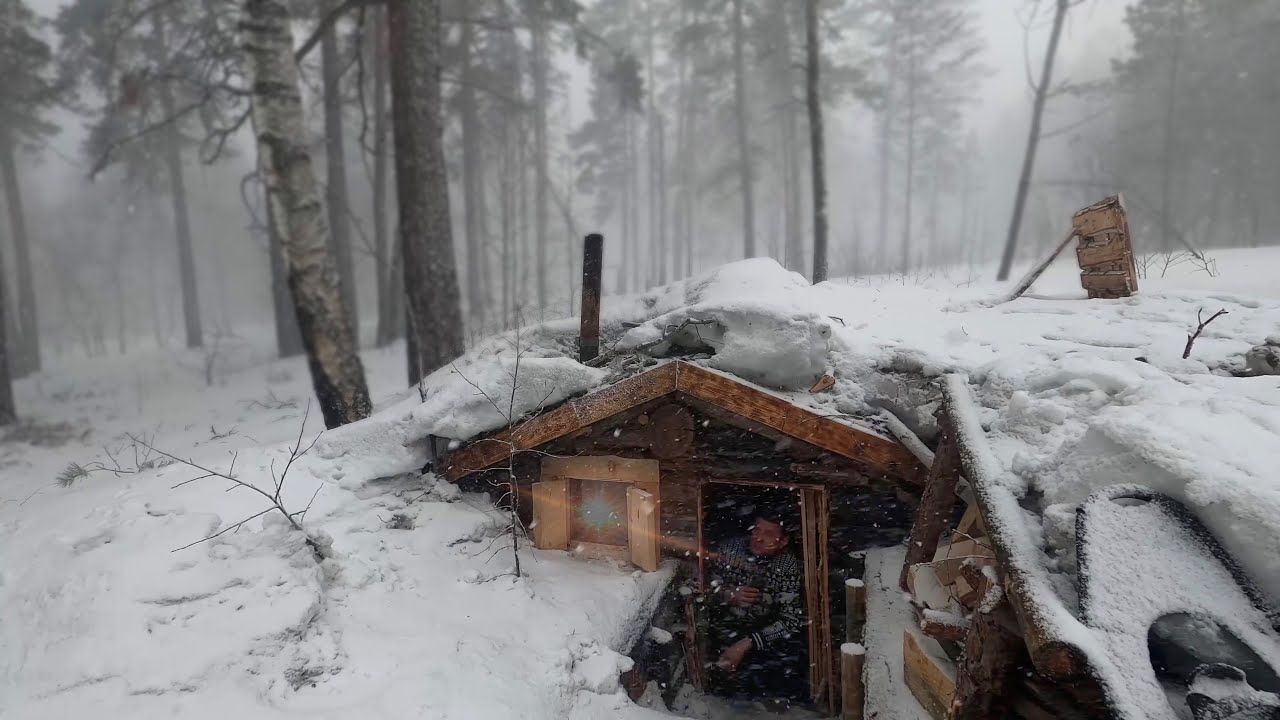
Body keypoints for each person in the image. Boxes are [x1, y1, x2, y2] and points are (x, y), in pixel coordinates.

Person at [708, 513, 808, 704]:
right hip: (726, 627)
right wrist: (726, 593)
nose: (758, 537)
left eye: (769, 533)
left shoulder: (787, 566)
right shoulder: (729, 549)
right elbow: (704, 585)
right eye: (756, 529)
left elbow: (791, 620)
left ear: (783, 541)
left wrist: (747, 643)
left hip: (763, 636)